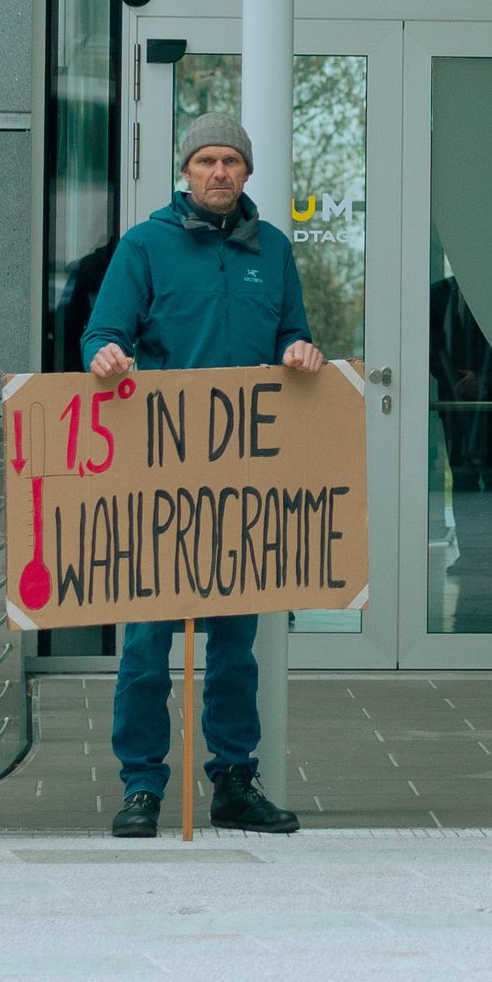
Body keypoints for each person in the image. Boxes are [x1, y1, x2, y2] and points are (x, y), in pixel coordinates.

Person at [83, 111, 324, 841]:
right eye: (206, 161)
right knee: (147, 644)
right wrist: (105, 357)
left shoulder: (273, 251)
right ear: (184, 173)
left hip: (244, 483)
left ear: (247, 174)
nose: (219, 172)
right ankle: (141, 788)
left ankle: (233, 781)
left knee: (233, 646)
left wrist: (301, 350)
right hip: (159, 476)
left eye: (231, 161)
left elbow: (293, 332)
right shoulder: (144, 247)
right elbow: (102, 334)